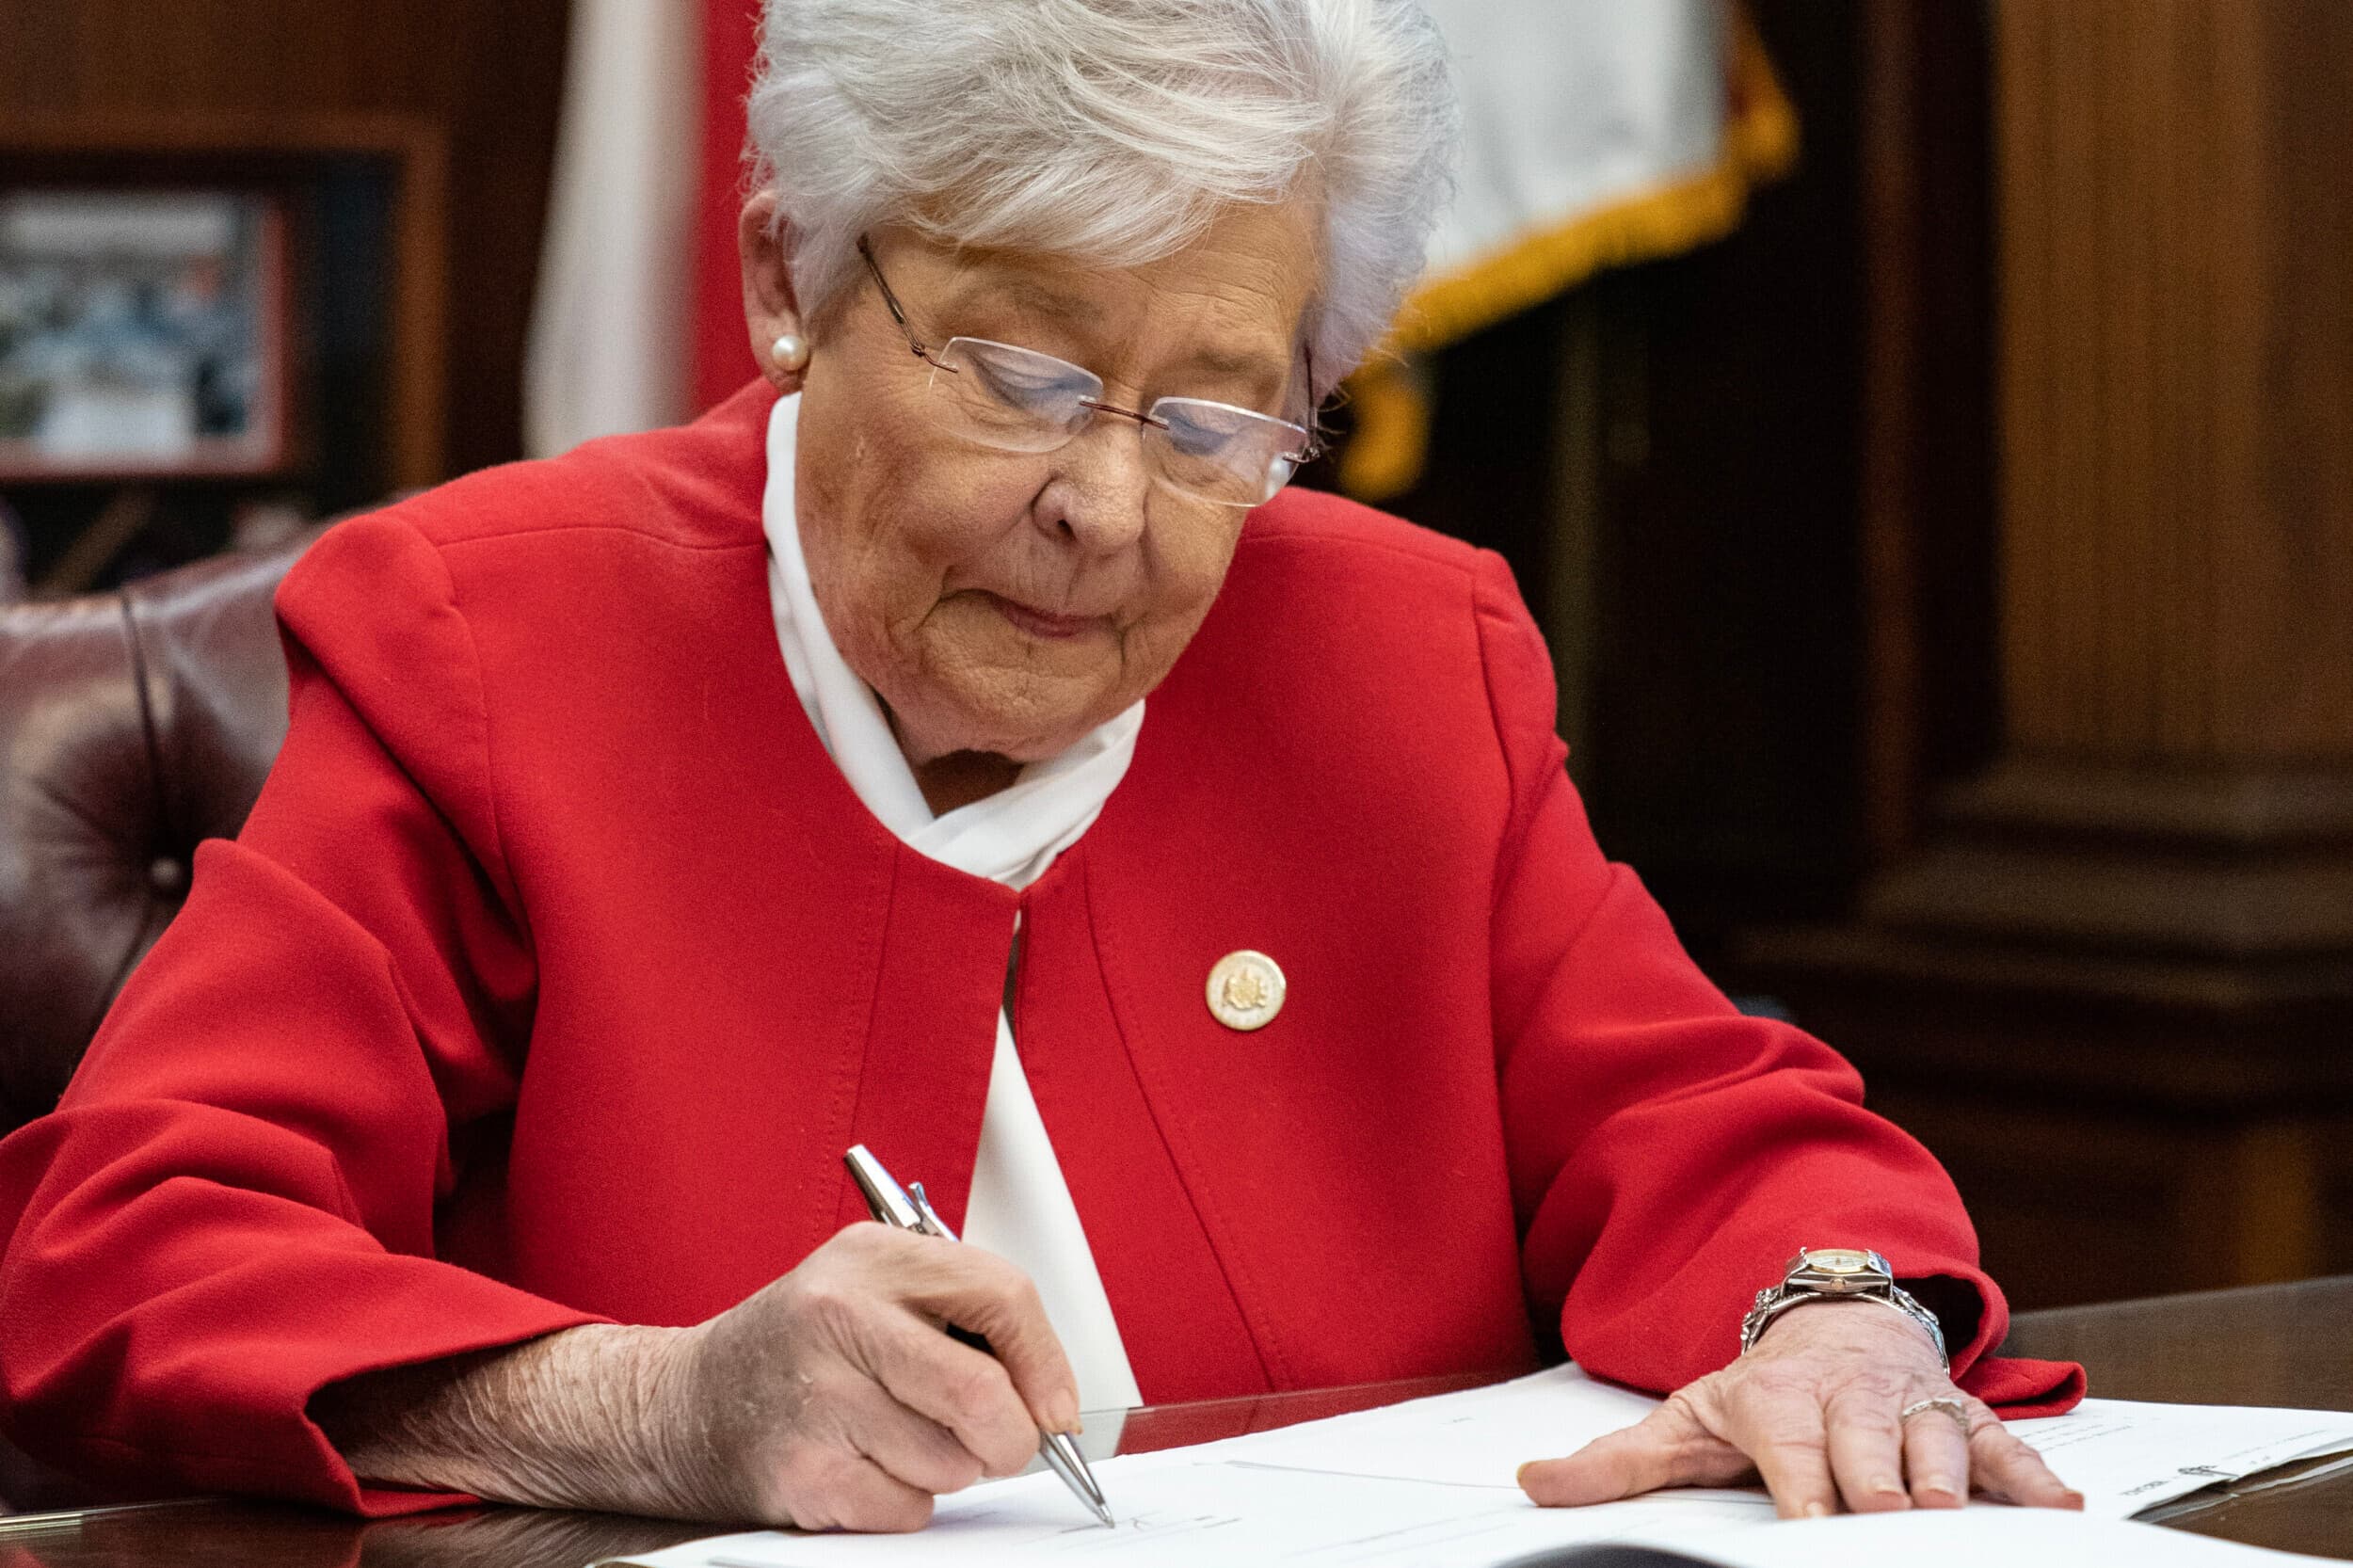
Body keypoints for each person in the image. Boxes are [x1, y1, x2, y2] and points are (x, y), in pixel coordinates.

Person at [0, 0, 2084, 1533]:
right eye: (1026, 374)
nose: (1106, 504)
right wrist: (652, 1405)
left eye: (1213, 419)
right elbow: (132, 1246)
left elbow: (1708, 1113)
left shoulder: (1395, 647)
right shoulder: (491, 640)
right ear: (785, 282)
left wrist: (1835, 1314)